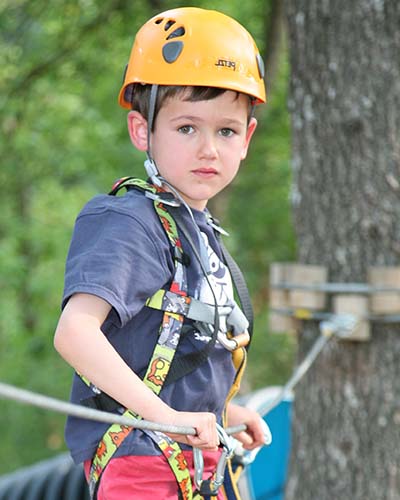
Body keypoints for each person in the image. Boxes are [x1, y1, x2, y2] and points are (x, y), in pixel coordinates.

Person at [54, 6, 268, 500]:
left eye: (227, 131)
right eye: (187, 128)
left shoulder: (195, 232)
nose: (209, 149)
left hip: (197, 468)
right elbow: (75, 332)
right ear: (142, 131)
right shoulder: (129, 222)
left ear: (246, 140)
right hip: (142, 472)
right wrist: (165, 418)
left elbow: (163, 359)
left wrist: (222, 414)